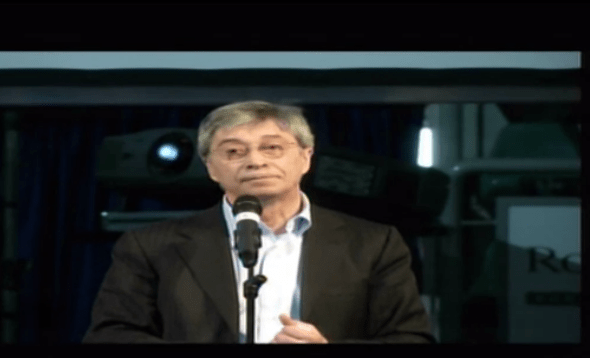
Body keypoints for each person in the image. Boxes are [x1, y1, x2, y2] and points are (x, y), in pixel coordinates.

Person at [84, 101, 435, 344]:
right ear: (211, 167)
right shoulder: (151, 245)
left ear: (306, 158)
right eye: (234, 152)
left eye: (272, 148)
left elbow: (410, 338)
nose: (255, 161)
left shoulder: (373, 242)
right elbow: (111, 335)